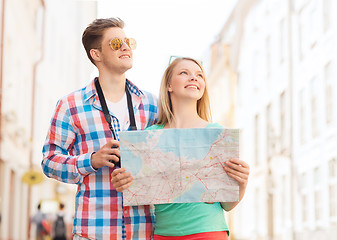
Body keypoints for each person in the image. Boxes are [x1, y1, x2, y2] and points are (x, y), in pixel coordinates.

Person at [42, 17, 158, 240]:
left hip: (144, 231)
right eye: (115, 43)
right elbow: (49, 161)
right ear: (96, 54)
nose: (125, 47)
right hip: (93, 232)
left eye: (128, 42)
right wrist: (91, 161)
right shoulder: (70, 105)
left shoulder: (152, 104)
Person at [111, 57, 250, 239]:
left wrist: (242, 183)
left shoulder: (218, 134)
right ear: (169, 85)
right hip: (164, 234)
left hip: (208, 233)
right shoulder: (149, 137)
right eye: (184, 73)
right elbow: (137, 188)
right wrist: (122, 182)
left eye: (199, 75)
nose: (194, 78)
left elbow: (227, 205)